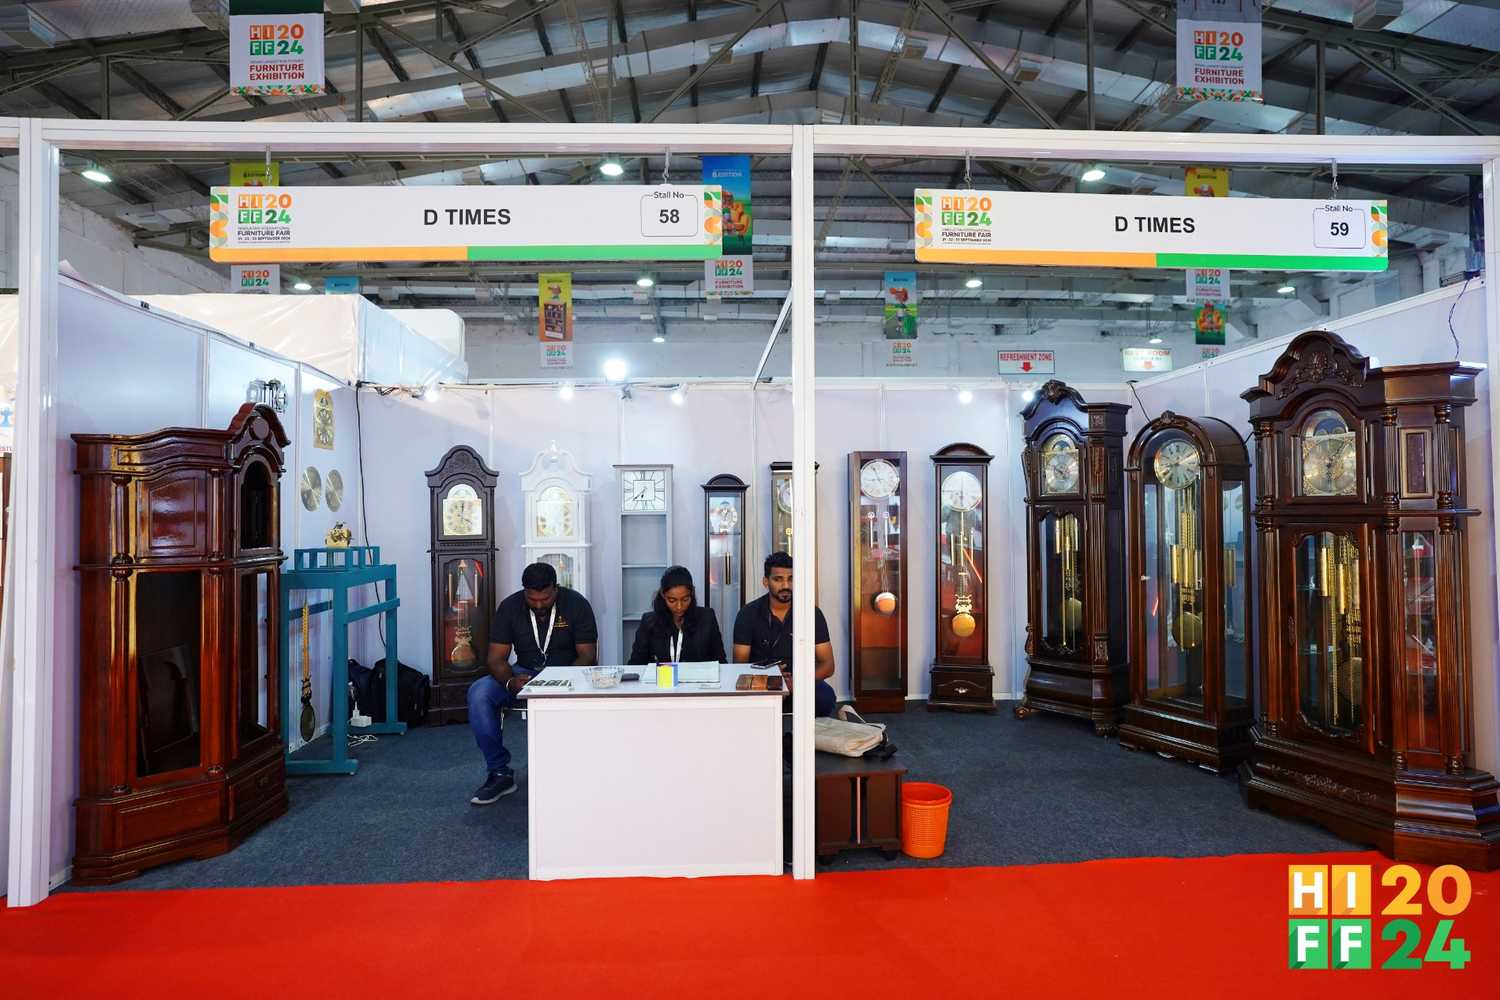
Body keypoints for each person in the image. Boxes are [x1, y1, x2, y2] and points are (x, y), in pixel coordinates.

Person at [467, 561, 598, 805]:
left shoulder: (576, 604)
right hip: (524, 673)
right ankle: (499, 773)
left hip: (568, 674)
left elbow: (588, 656)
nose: (538, 604)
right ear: (524, 591)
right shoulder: (510, 607)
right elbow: (495, 658)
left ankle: (574, 771)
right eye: (532, 599)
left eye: (545, 599)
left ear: (556, 589)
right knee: (480, 693)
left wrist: (559, 680)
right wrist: (510, 682)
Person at [732, 551, 838, 717]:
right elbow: (739, 665)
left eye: (791, 579)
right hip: (762, 682)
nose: (786, 585)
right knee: (748, 705)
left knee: (825, 697)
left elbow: (828, 664)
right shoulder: (748, 614)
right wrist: (769, 677)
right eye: (778, 579)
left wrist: (797, 681)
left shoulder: (811, 613)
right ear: (766, 582)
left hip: (801, 681)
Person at [628, 565, 727, 666]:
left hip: (699, 676)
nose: (679, 606)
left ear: (692, 593)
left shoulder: (707, 618)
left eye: (685, 599)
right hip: (661, 676)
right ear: (663, 595)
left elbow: (721, 662)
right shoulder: (649, 622)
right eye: (672, 600)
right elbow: (636, 665)